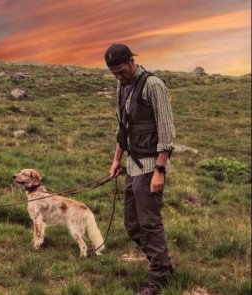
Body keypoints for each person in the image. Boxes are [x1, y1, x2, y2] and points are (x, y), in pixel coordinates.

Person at [105, 43, 175, 295]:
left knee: (149, 223)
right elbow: (122, 128)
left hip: (150, 166)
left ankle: (159, 278)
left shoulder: (153, 85)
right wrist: (116, 160)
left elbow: (167, 132)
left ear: (132, 61)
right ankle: (163, 264)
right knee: (132, 225)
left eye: (122, 70)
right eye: (114, 72)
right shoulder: (122, 86)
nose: (119, 76)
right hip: (132, 165)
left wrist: (160, 170)